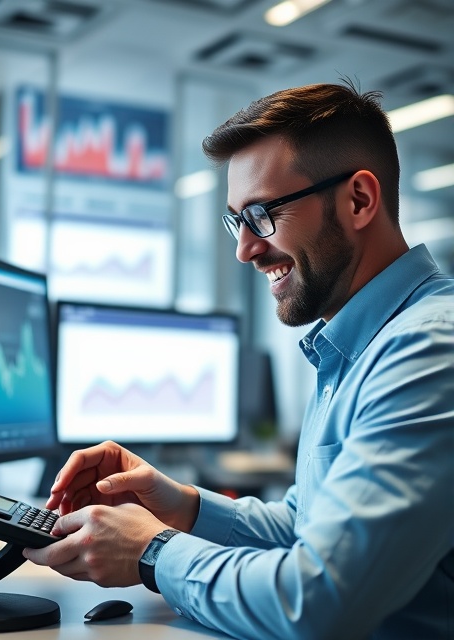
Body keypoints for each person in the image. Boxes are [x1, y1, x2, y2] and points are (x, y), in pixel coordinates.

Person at [24, 81, 454, 639]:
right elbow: (308, 525)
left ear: (359, 201)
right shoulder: (358, 344)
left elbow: (319, 599)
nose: (245, 249)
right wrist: (179, 504)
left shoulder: (426, 350)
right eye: (237, 221)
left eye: (262, 214)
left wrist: (153, 552)